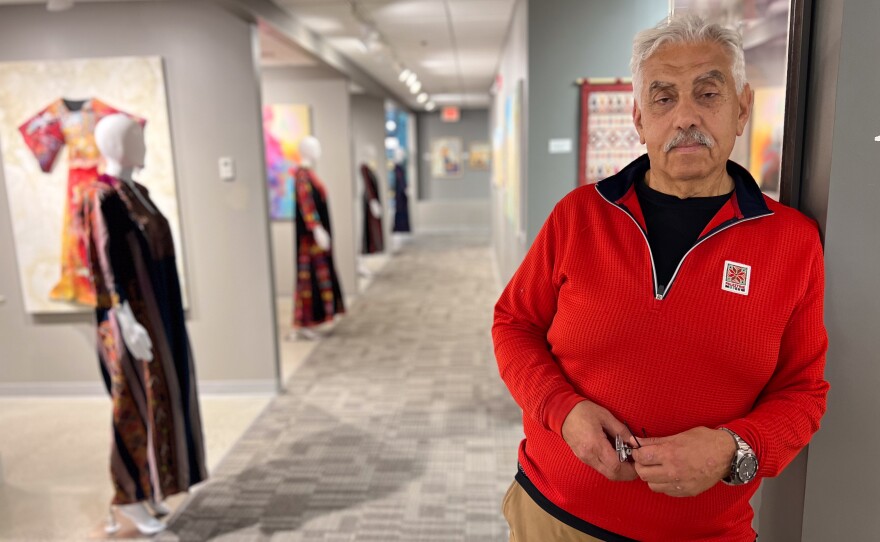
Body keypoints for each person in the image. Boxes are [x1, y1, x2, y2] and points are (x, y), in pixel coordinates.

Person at [493, 13, 828, 541]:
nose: (686, 117)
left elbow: (803, 393)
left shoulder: (792, 243)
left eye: (708, 93)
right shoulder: (580, 216)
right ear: (638, 117)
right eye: (664, 97)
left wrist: (731, 450)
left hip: (702, 534)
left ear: (742, 109)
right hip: (551, 517)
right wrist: (563, 411)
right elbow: (513, 324)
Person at [84, 114, 207, 535]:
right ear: (114, 144)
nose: (143, 145)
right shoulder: (103, 198)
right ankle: (128, 497)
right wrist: (126, 320)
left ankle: (152, 484)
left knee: (162, 399)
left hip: (160, 313)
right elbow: (105, 265)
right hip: (131, 320)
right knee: (133, 405)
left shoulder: (139, 192)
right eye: (135, 138)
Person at [292, 135, 345, 339]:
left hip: (316, 237)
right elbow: (307, 206)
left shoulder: (309, 175)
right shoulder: (302, 176)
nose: (319, 150)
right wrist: (316, 228)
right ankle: (305, 321)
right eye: (315, 147)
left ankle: (313, 319)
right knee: (309, 278)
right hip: (309, 240)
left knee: (318, 275)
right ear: (305, 150)